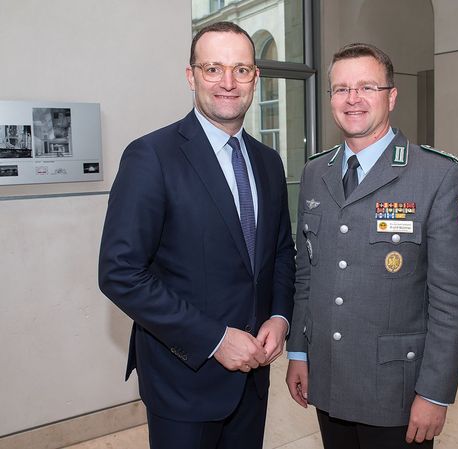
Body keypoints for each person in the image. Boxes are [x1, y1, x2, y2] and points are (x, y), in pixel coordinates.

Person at [98, 21, 295, 449]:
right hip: (182, 383)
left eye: (241, 69)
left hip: (253, 380)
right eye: (213, 68)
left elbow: (280, 253)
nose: (228, 82)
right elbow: (120, 272)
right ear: (191, 76)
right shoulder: (151, 156)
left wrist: (280, 317)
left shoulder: (268, 162)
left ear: (255, 78)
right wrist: (216, 339)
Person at [286, 42, 458, 449]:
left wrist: (435, 393)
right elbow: (307, 275)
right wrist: (299, 354)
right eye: (341, 89)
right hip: (330, 377)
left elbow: (453, 300)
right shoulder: (315, 171)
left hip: (397, 391)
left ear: (391, 96)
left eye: (367, 87)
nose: (352, 99)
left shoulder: (437, 176)